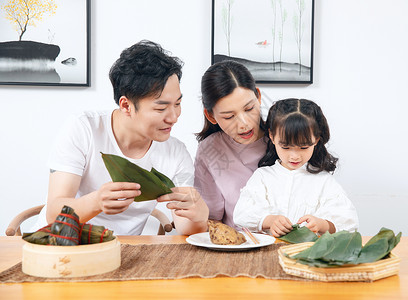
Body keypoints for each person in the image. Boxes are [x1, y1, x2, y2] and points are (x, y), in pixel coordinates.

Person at [34, 40, 208, 235]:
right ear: (126, 106)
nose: (174, 117)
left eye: (177, 104)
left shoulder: (176, 152)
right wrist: (96, 201)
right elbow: (53, 212)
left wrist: (200, 215)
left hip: (123, 253)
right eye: (161, 108)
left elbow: (186, 228)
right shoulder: (84, 129)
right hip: (59, 244)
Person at [233, 98, 358, 237]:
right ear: (272, 136)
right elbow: (241, 213)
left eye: (303, 147)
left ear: (316, 139)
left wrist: (321, 224)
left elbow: (348, 221)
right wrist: (269, 220)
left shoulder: (323, 181)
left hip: (308, 254)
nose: (294, 156)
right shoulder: (263, 176)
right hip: (268, 252)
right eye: (285, 147)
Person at [194, 60, 267, 229]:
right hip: (237, 247)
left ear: (258, 97)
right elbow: (211, 218)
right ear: (211, 116)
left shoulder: (284, 138)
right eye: (229, 117)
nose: (244, 124)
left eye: (249, 109)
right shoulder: (209, 150)